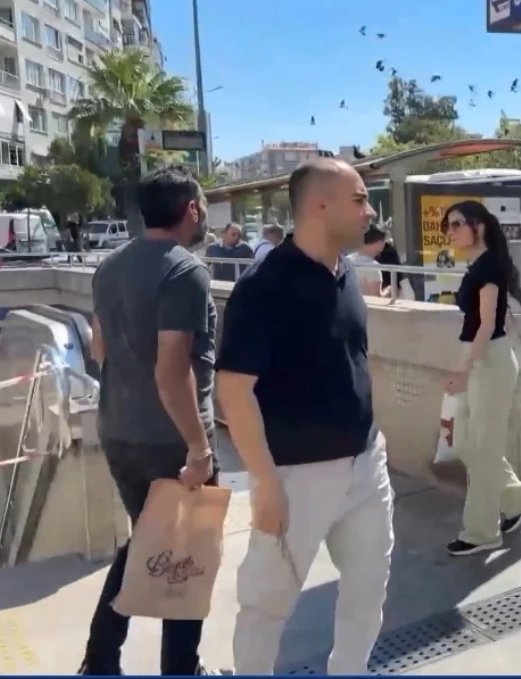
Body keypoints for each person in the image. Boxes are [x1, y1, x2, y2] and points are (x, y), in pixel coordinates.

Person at [216, 158, 393, 675]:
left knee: (367, 591)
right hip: (296, 477)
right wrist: (265, 483)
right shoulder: (263, 286)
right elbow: (233, 389)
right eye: (359, 199)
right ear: (320, 205)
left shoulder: (349, 274)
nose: (370, 211)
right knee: (266, 606)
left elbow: (356, 359)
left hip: (365, 466)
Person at [81, 166, 220, 676]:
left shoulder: (109, 266)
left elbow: (99, 348)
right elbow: (172, 368)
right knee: (186, 557)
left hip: (119, 430)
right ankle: (181, 669)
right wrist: (199, 447)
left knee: (146, 542)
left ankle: (100, 660)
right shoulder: (186, 270)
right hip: (171, 441)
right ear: (192, 210)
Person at [441, 200, 521, 556]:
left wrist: (462, 369)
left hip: (490, 362)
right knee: (470, 444)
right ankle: (517, 499)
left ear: (478, 227)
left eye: (456, 224)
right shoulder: (480, 264)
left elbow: (487, 325)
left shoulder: (489, 268)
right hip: (481, 358)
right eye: (448, 226)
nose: (450, 231)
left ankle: (482, 531)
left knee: (482, 449)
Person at [349, 225, 389, 296]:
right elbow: (376, 297)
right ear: (379, 242)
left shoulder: (347, 260)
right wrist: (388, 291)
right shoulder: (373, 267)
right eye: (384, 242)